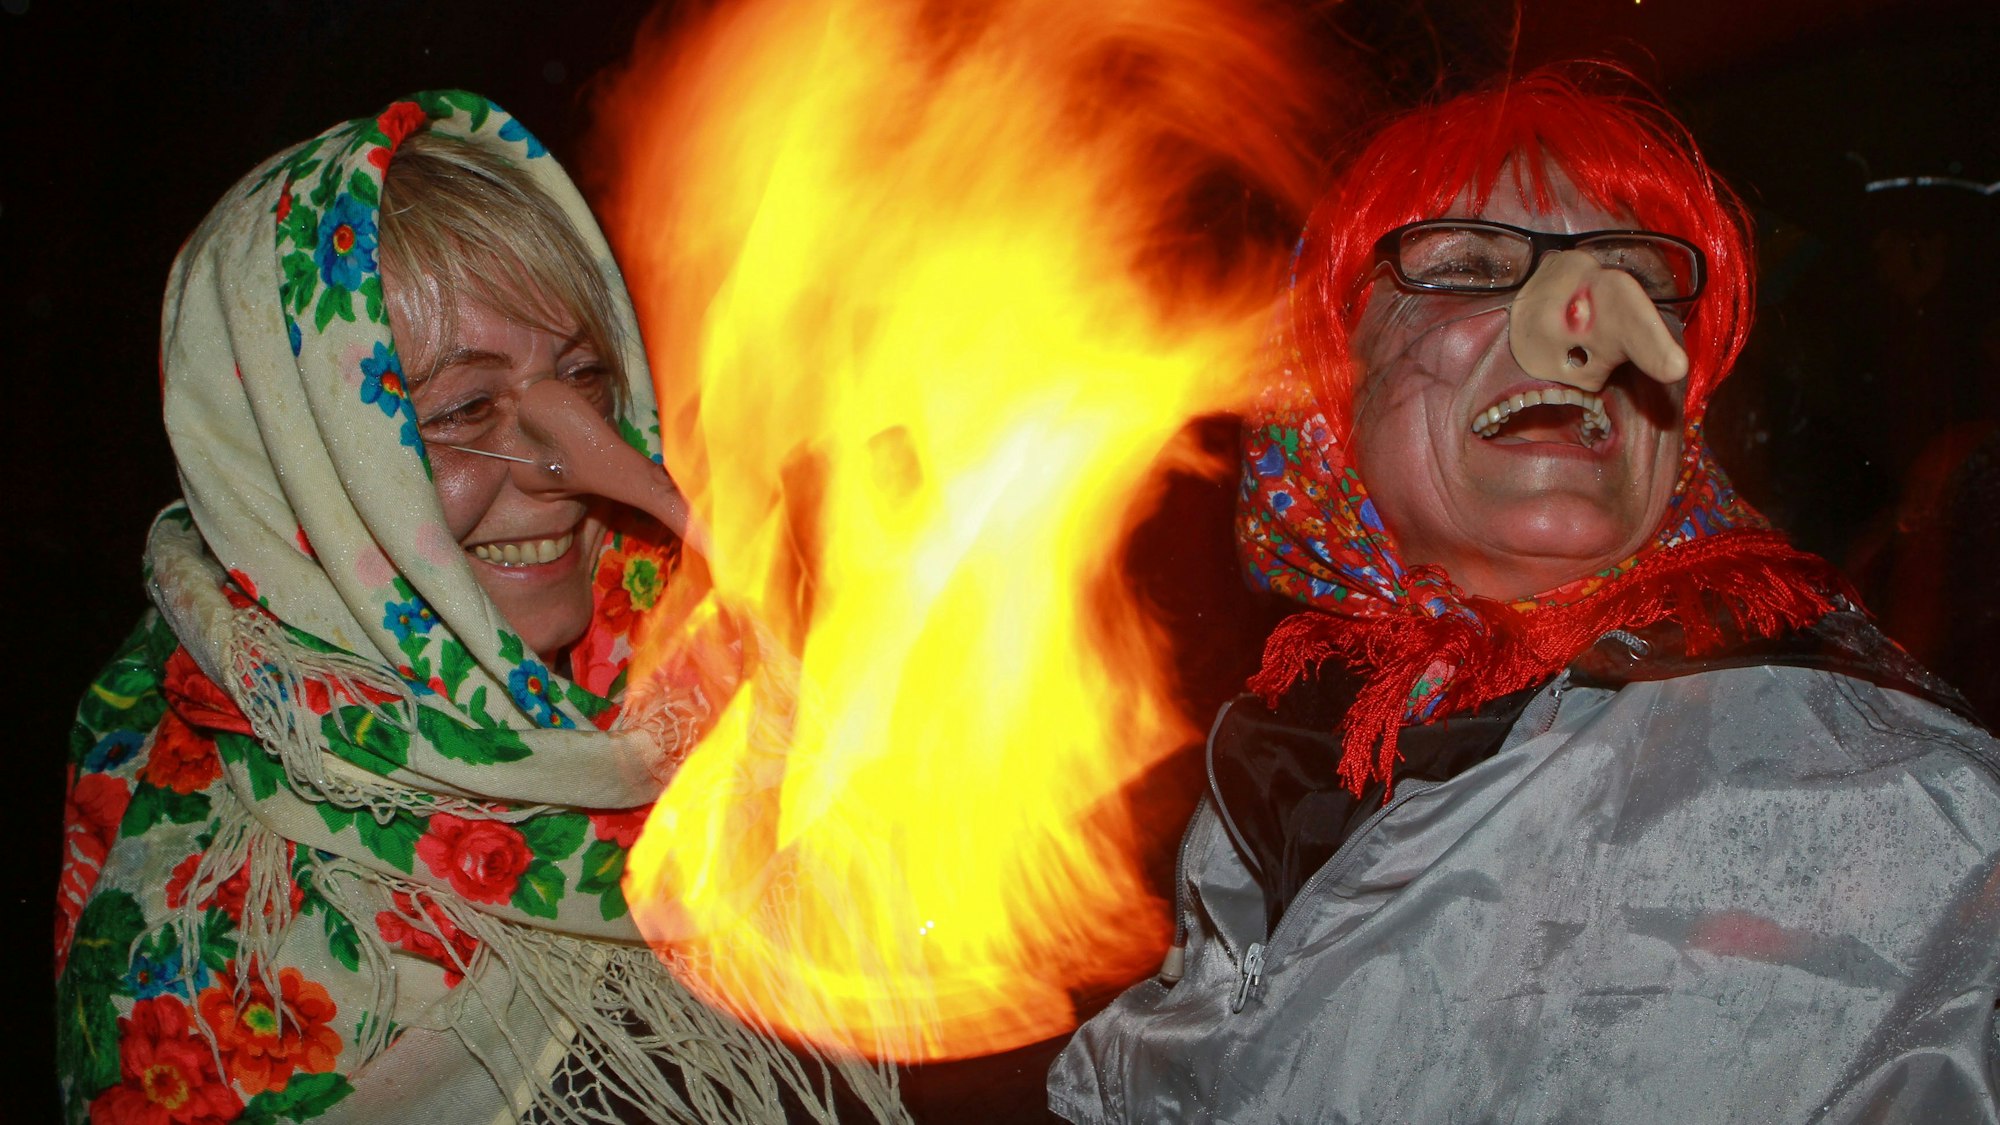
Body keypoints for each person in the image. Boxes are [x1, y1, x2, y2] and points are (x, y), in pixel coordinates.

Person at [1049, 68, 2000, 1122]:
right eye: (1466, 268)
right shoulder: (1287, 748)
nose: (1575, 328)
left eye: (1633, 277)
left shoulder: (1873, 801)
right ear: (1327, 388)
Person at [55, 92, 900, 1124]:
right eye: (460, 410)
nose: (576, 462)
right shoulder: (215, 948)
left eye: (584, 378)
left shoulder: (719, 683)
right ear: (298, 454)